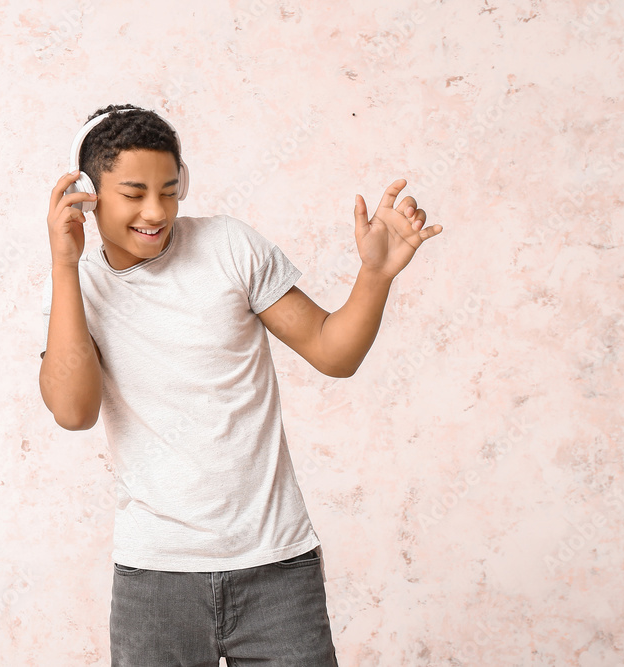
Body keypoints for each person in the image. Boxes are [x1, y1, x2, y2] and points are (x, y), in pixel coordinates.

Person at [39, 103, 442, 666]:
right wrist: (64, 265)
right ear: (87, 192)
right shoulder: (76, 285)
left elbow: (333, 352)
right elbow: (72, 410)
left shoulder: (231, 247)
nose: (156, 211)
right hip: (156, 579)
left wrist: (374, 275)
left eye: (170, 190)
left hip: (278, 568)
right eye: (133, 194)